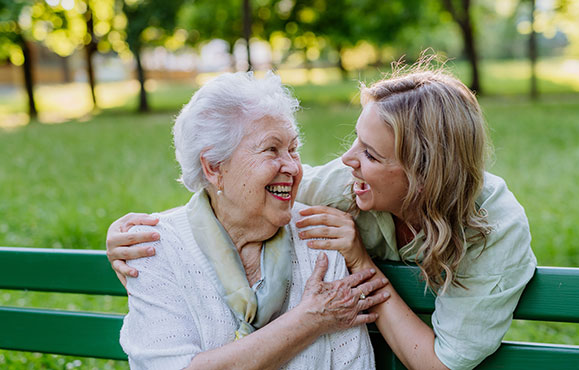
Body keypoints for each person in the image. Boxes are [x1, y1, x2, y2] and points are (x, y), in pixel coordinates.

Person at [108, 58, 536, 370]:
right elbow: (239, 188)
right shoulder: (342, 186)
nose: (347, 160)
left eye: (369, 154)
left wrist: (359, 263)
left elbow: (437, 365)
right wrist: (131, 237)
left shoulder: (493, 230)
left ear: (422, 176)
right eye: (356, 141)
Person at [114, 71, 389, 370]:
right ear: (214, 167)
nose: (293, 167)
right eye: (272, 149)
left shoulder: (319, 238)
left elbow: (355, 364)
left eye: (293, 149)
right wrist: (310, 319)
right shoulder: (153, 247)